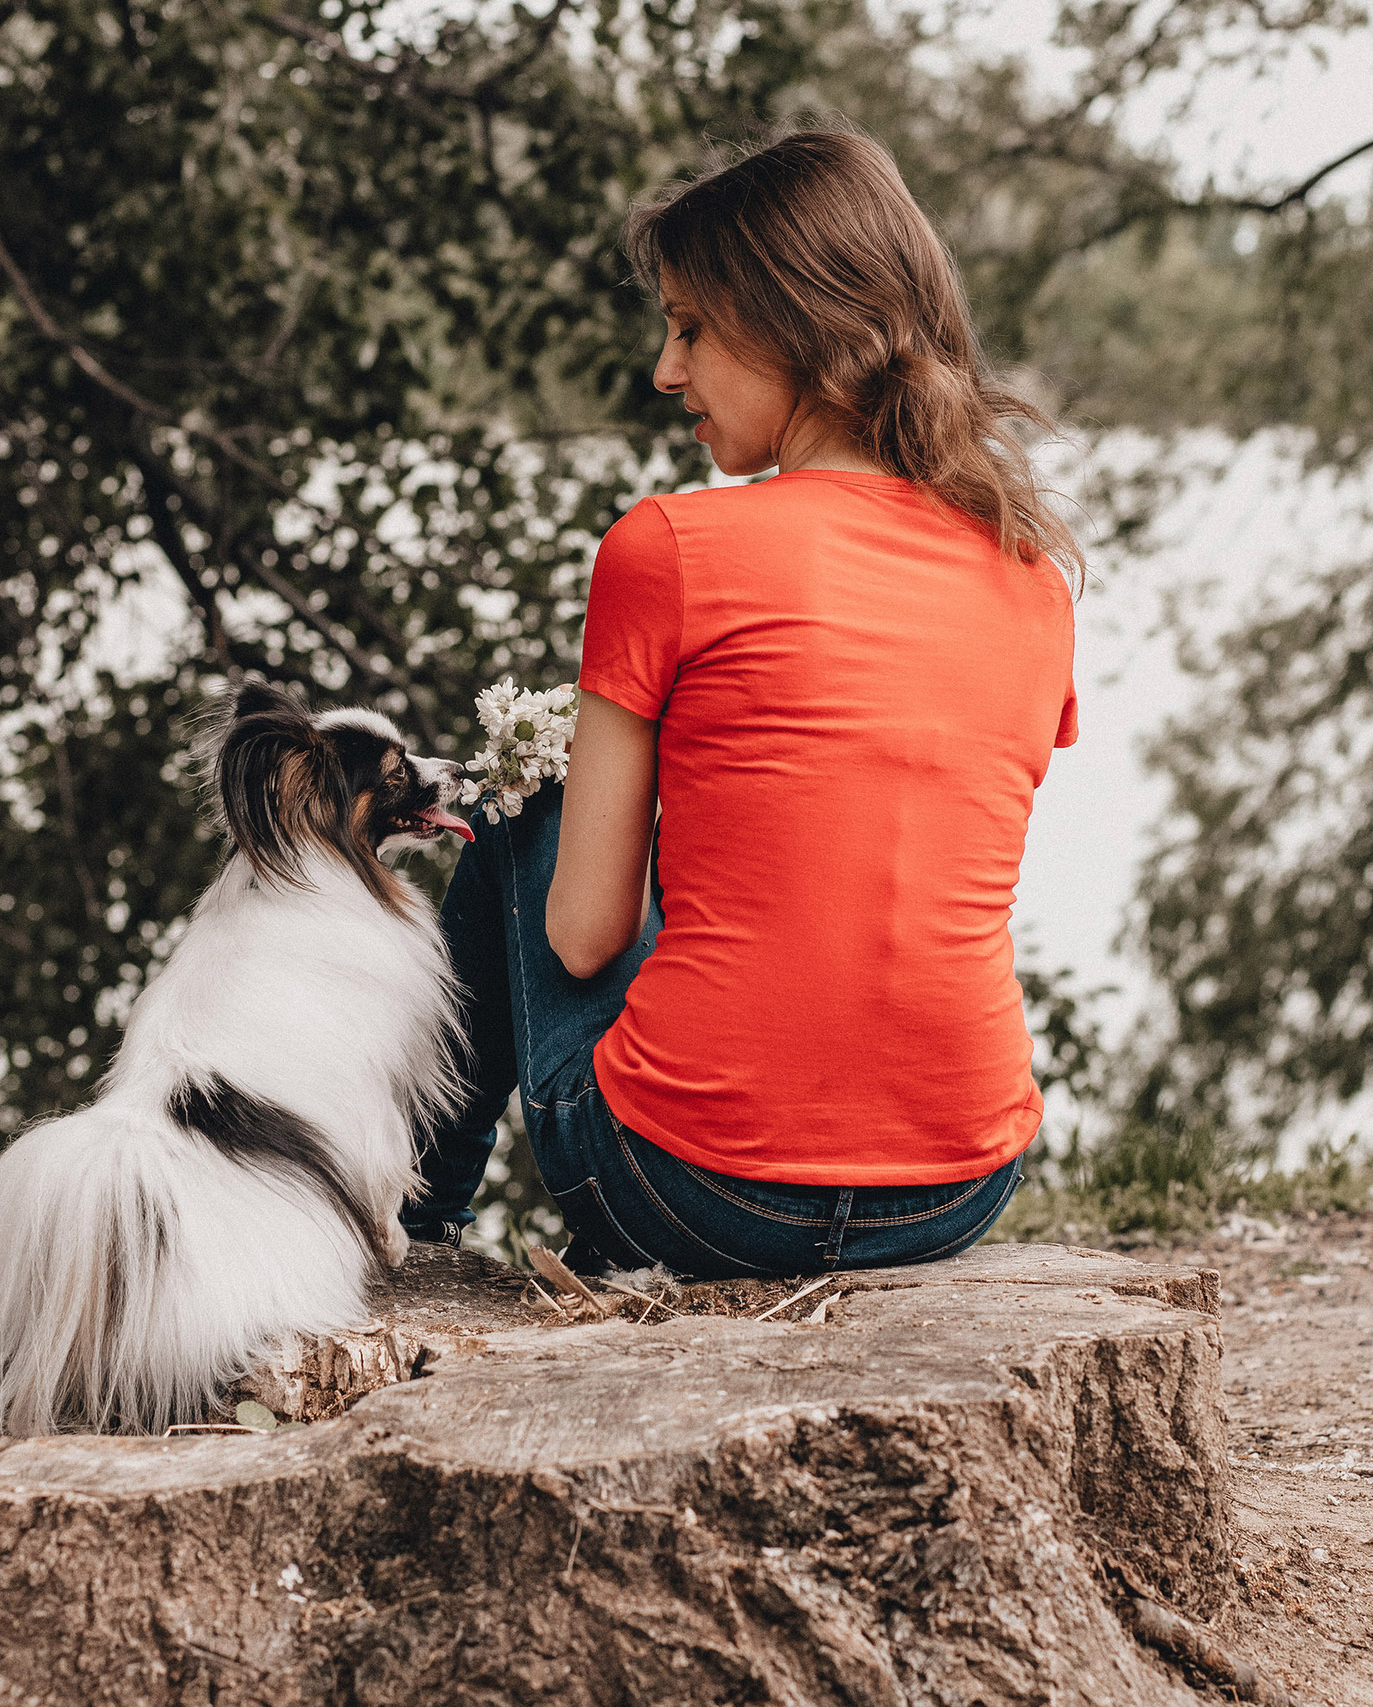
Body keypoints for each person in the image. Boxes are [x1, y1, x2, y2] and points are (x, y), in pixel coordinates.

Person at [401, 124, 1083, 1277]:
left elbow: (580, 937)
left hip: (690, 1190)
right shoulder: (1028, 572)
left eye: (689, 328)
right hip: (959, 1187)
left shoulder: (665, 545)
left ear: (792, 322)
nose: (667, 373)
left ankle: (409, 1221)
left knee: (520, 799)